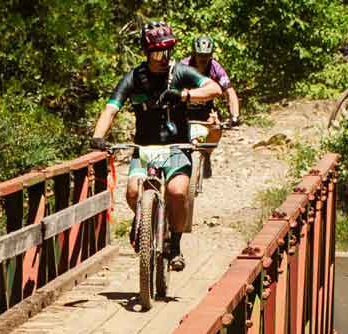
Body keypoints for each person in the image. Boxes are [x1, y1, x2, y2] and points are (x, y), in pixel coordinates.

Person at [89, 21, 222, 272]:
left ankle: (176, 246)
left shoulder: (180, 72)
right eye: (159, 53)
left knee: (178, 192)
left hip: (176, 146)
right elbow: (111, 108)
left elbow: (213, 88)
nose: (164, 58)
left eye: (168, 52)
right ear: (147, 53)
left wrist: (185, 96)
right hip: (145, 148)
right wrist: (98, 137)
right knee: (131, 193)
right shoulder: (134, 77)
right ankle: (144, 219)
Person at [180, 35, 241, 141]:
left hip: (206, 108)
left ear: (211, 55)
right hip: (183, 108)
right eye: (200, 55)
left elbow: (229, 92)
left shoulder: (215, 68)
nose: (203, 59)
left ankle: (207, 154)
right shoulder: (183, 66)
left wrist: (234, 116)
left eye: (206, 55)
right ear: (194, 54)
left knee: (216, 129)